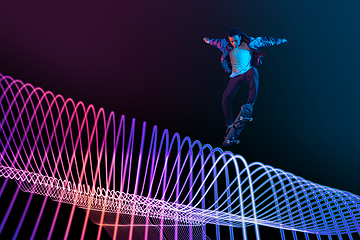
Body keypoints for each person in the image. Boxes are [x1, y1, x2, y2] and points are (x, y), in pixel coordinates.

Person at [203, 27, 287, 137]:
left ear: (240, 37)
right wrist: (208, 40)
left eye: (236, 40)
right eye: (232, 41)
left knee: (254, 72)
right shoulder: (225, 44)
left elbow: (266, 41)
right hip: (235, 77)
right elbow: (216, 42)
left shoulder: (250, 42)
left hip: (247, 72)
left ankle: (249, 104)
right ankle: (229, 126)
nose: (234, 43)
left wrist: (281, 40)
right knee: (225, 100)